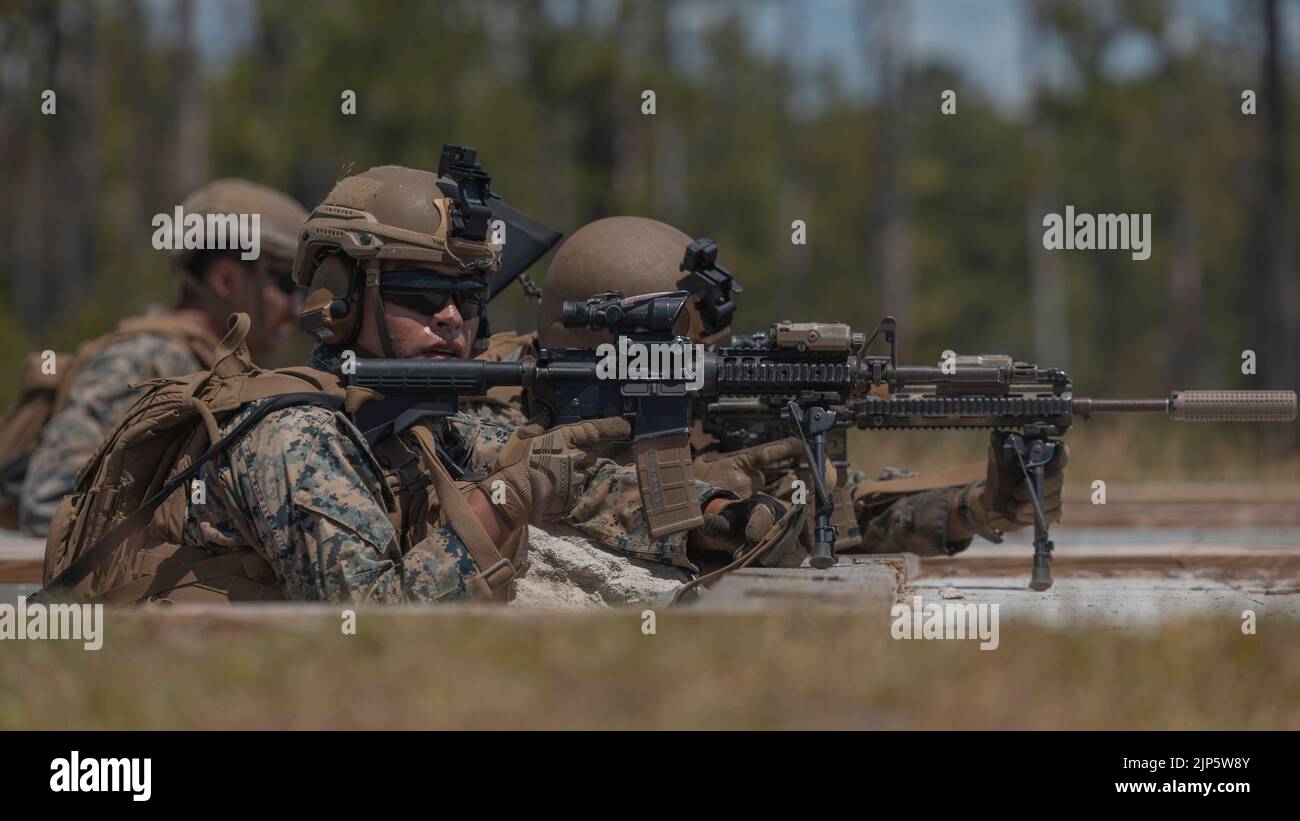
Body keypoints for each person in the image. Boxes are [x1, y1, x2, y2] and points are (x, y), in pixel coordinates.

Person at [45, 163, 775, 605]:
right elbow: (377, 621)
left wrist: (721, 517)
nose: (455, 321)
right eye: (424, 298)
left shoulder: (421, 419)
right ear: (341, 296)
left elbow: (578, 483)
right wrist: (508, 498)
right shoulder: (289, 435)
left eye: (470, 300)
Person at [535, 216, 1068, 564]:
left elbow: (838, 514)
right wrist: (711, 505)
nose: (704, 360)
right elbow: (562, 490)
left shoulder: (695, 424)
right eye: (683, 345)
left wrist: (974, 506)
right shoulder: (510, 424)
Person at [17, 179, 307, 535]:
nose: (297, 308)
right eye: (286, 285)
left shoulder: (210, 368)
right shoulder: (146, 359)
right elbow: (46, 505)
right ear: (226, 280)